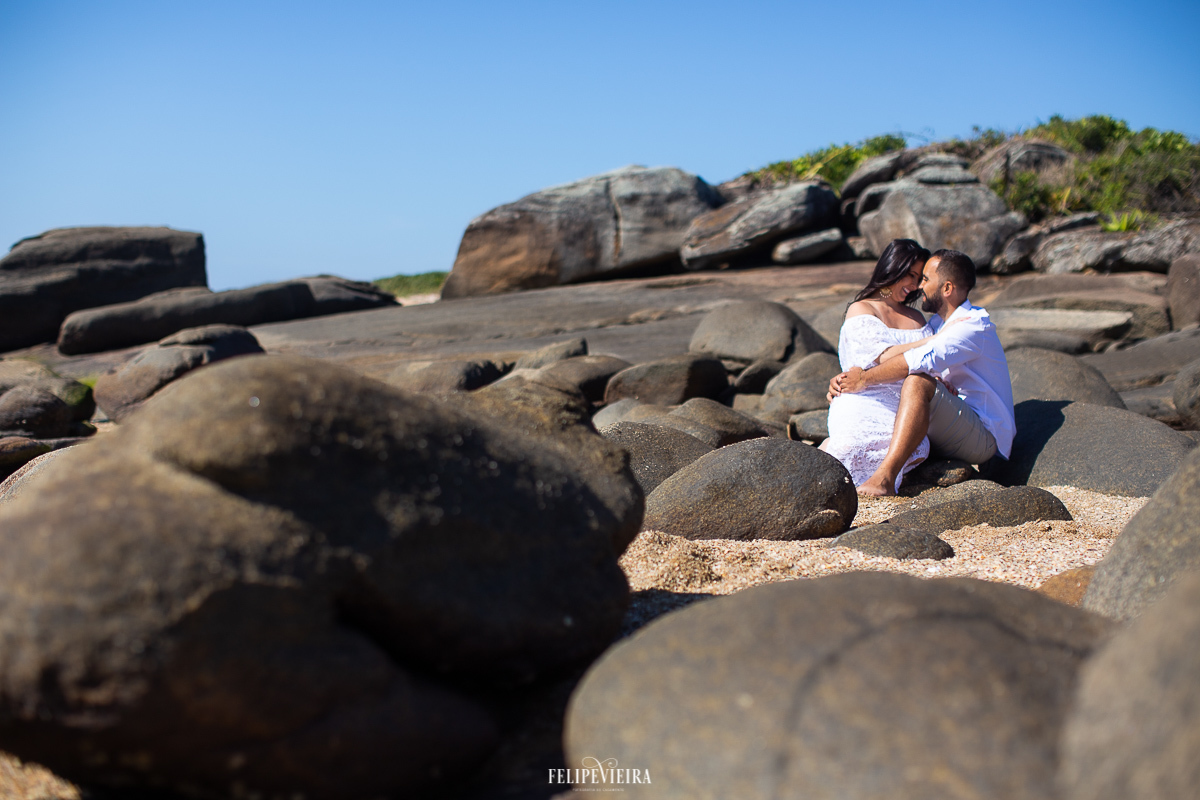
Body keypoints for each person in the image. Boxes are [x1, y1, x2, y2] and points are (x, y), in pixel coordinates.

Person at [828, 248, 1016, 496]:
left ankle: (884, 479)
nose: (919, 286)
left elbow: (915, 361)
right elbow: (889, 353)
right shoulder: (937, 323)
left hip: (982, 435)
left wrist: (863, 378)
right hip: (950, 419)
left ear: (946, 288)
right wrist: (844, 379)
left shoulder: (972, 326)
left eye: (924, 279)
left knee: (918, 381)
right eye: (916, 277)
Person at [819, 239, 950, 492]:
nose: (914, 285)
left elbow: (933, 363)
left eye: (919, 278)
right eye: (910, 275)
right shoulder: (862, 308)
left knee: (915, 445)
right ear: (893, 268)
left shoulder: (917, 317)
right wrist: (936, 340)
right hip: (863, 397)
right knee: (851, 445)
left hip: (907, 401)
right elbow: (884, 356)